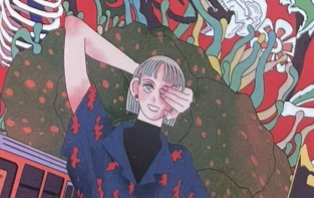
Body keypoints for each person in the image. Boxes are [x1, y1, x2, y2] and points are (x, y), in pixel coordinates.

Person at [61, 16, 210, 198]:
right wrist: (138, 69)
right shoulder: (99, 138)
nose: (154, 97)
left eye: (165, 92)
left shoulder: (178, 163)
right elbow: (75, 29)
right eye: (148, 86)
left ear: (173, 105)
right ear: (135, 88)